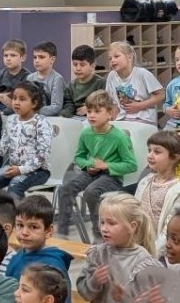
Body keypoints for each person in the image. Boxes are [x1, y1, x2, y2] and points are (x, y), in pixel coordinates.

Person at [55, 92, 134, 239]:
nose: (91, 115)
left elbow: (131, 165)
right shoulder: (86, 133)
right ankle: (62, 232)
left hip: (112, 176)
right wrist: (88, 165)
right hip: (91, 173)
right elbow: (79, 157)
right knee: (65, 189)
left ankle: (98, 233)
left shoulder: (119, 137)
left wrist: (106, 166)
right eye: (89, 111)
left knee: (91, 192)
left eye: (97, 111)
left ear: (109, 113)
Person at [0, 80, 52, 196]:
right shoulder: (10, 120)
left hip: (37, 171)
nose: (16, 102)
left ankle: (18, 209)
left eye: (22, 99)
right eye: (14, 98)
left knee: (15, 186)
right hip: (12, 167)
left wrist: (21, 170)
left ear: (34, 103)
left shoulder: (42, 123)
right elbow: (2, 150)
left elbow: (42, 156)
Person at [4, 196, 73, 279]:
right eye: (20, 225)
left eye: (33, 227)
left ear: (49, 231)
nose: (24, 232)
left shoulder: (52, 267)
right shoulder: (15, 259)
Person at [27, 41, 66, 117]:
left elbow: (56, 107)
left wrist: (33, 110)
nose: (37, 60)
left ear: (52, 59)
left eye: (41, 57)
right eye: (35, 57)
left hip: (51, 118)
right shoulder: (30, 78)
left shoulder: (57, 79)